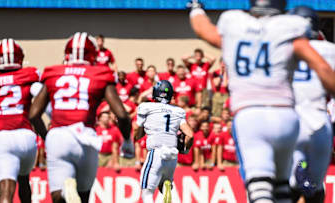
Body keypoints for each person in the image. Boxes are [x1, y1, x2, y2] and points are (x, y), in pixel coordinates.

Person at [189, 0, 335, 202]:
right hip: (288, 116)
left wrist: (196, 9)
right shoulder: (291, 32)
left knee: (260, 190)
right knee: (287, 189)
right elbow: (323, 69)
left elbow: (204, 30)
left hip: (250, 115)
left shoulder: (235, 26)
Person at [29, 32, 133, 203]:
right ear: (93, 55)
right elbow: (122, 115)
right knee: (84, 196)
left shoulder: (53, 72)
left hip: (59, 135)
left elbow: (33, 115)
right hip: (85, 137)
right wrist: (127, 140)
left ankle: (64, 195)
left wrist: (47, 138)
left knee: (57, 197)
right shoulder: (100, 73)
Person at [0, 38, 47, 203]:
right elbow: (41, 100)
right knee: (24, 181)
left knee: (5, 191)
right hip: (27, 137)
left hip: (5, 137)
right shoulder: (29, 75)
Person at [288, 6, 335, 202]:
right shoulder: (330, 50)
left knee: (289, 186)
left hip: (289, 122)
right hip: (319, 121)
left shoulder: (280, 49)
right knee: (315, 187)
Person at [134, 80, 193, 203]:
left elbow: (137, 133)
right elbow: (190, 135)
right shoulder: (178, 111)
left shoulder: (146, 107)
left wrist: (140, 133)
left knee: (147, 193)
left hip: (156, 152)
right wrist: (185, 149)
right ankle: (165, 184)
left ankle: (163, 184)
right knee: (164, 184)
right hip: (172, 155)